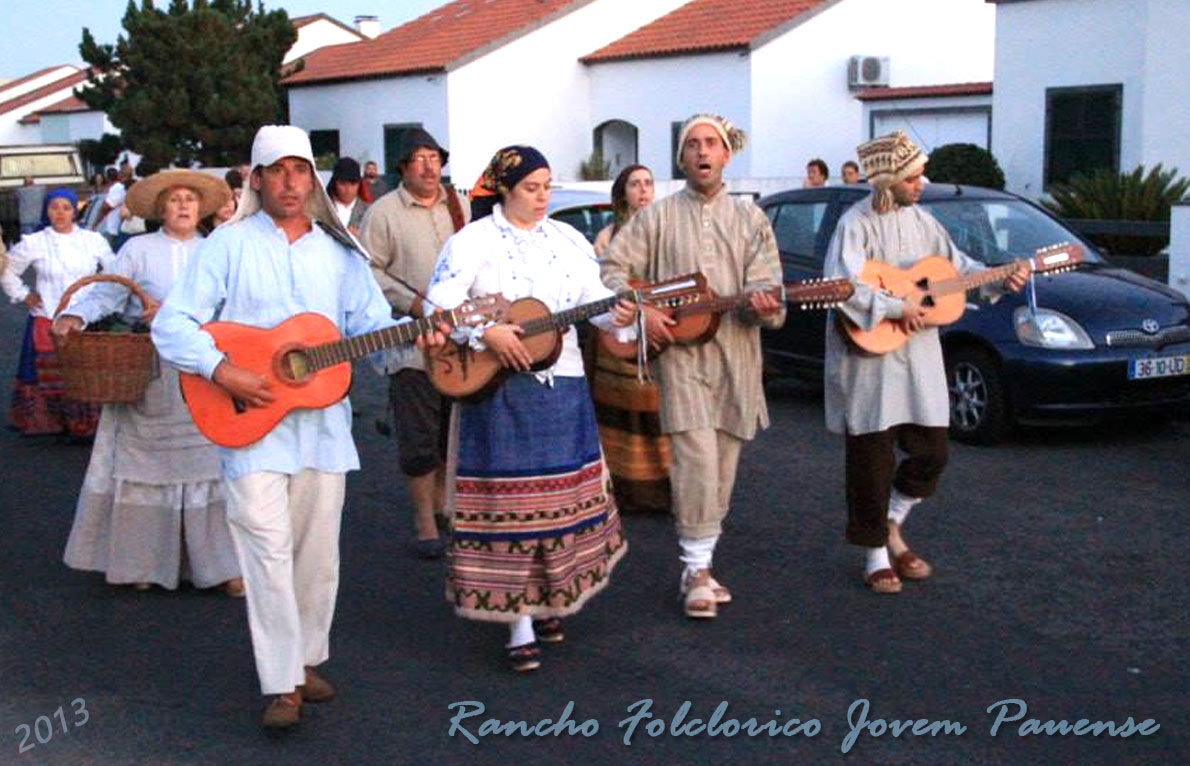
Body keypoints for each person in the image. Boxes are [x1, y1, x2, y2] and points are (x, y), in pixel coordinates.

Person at [151, 125, 443, 729]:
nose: (291, 181)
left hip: (322, 427)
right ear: (257, 179)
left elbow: (367, 327)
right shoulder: (226, 247)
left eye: (301, 170)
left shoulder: (339, 253)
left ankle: (306, 658)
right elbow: (172, 325)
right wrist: (222, 369)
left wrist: (424, 333)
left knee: (317, 556)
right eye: (278, 170)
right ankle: (280, 681)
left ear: (312, 179)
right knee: (264, 548)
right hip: (250, 428)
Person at [426, 145, 633, 672]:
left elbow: (592, 299)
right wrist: (486, 331)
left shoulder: (568, 239)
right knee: (510, 510)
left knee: (559, 506)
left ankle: (550, 602)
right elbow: (438, 304)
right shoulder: (472, 241)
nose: (542, 197)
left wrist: (619, 312)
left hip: (561, 383)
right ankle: (517, 621)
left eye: (547, 186)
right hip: (497, 391)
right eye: (531, 188)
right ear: (505, 189)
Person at [822, 131, 1027, 595]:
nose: (922, 181)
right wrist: (895, 307)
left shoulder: (924, 222)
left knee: (934, 450)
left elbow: (958, 270)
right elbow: (842, 285)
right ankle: (874, 554)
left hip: (918, 356)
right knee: (871, 459)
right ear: (889, 178)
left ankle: (893, 522)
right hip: (870, 357)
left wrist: (1000, 278)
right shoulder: (854, 224)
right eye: (914, 174)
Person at [602, 113, 784, 620]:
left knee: (723, 463)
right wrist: (644, 310)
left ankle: (698, 560)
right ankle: (697, 569)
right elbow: (613, 269)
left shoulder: (751, 220)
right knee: (696, 458)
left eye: (712, 144)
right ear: (681, 158)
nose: (702, 152)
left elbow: (766, 282)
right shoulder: (655, 218)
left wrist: (763, 305)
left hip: (737, 358)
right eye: (693, 145)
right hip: (680, 359)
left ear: (727, 155)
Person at [55, 170, 243, 596]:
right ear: (160, 209)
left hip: (206, 370)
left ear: (202, 208)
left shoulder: (217, 250)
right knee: (147, 464)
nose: (182, 206)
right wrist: (75, 315)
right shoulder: (138, 249)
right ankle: (143, 562)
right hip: (149, 370)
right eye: (174, 199)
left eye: (189, 200)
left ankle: (220, 566)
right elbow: (108, 294)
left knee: (209, 464)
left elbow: (234, 304)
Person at [361, 128, 469, 559]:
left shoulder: (458, 205)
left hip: (462, 343)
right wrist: (415, 304)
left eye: (434, 158)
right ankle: (425, 522)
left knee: (453, 434)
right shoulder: (383, 213)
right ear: (403, 167)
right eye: (418, 159)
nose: (428, 166)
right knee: (420, 439)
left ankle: (448, 511)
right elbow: (369, 273)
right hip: (413, 346)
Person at [586, 164, 670, 512]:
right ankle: (625, 492)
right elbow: (598, 283)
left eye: (648, 183)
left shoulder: (667, 231)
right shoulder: (608, 236)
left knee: (658, 410)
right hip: (618, 329)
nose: (643, 190)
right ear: (623, 193)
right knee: (620, 411)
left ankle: (665, 491)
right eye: (635, 184)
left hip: (659, 327)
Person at [1, 188, 110, 438]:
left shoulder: (93, 240)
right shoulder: (34, 242)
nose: (59, 213)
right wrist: (23, 294)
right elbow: (7, 269)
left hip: (85, 318)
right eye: (54, 207)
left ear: (74, 212)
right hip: (47, 315)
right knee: (47, 370)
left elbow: (114, 270)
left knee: (84, 372)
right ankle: (47, 421)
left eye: (66, 208)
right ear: (46, 210)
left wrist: (102, 299)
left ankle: (84, 422)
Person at [326, 157, 369, 237]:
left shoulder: (369, 212)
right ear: (335, 183)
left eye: (353, 184)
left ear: (359, 184)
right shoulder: (323, 210)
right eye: (342, 184)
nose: (348, 189)